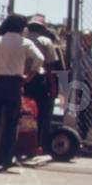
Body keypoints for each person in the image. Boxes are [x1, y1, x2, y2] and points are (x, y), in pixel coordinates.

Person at [0, 14, 44, 170]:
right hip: (15, 83)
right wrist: (30, 75)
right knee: (11, 123)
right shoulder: (25, 43)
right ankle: (6, 159)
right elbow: (40, 58)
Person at [24, 15, 64, 154]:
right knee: (43, 114)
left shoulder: (24, 40)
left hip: (25, 79)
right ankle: (41, 144)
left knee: (25, 112)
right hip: (40, 81)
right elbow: (50, 66)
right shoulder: (46, 41)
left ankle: (24, 144)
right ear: (43, 29)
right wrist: (53, 86)